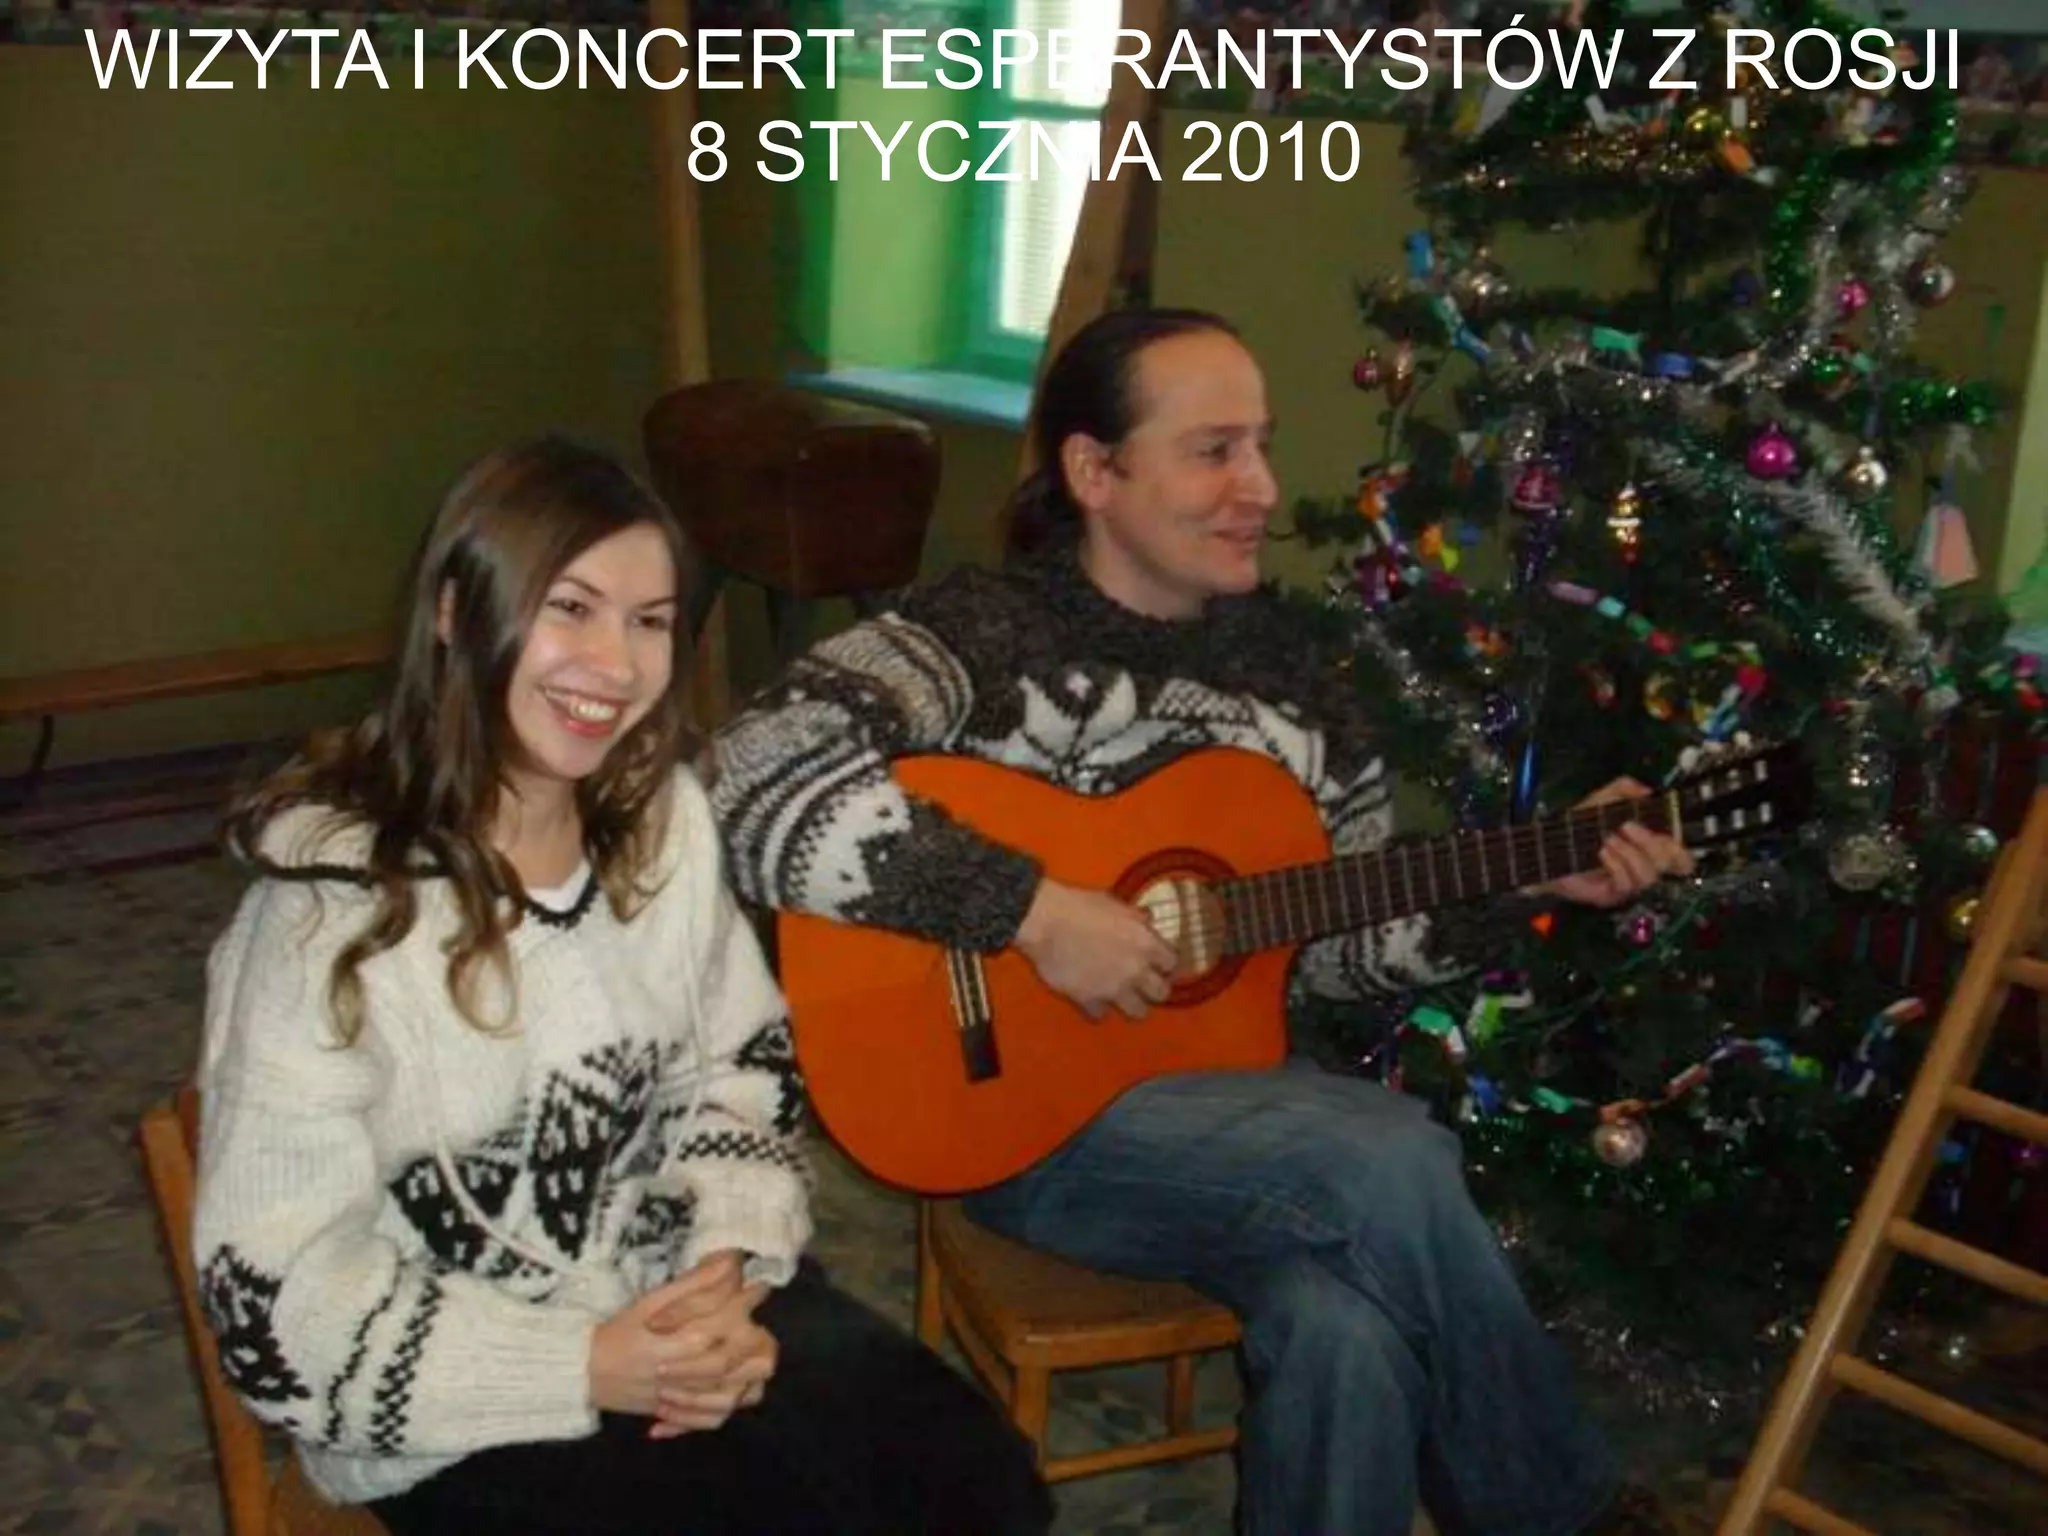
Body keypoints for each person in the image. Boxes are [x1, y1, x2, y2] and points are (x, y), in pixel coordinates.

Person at [709, 309, 1693, 1536]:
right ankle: (1566, 1517)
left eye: (1260, 446)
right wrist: (1031, 913)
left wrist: (1525, 881)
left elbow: (1331, 957)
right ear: (1093, 471)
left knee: (1342, 1327)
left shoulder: (1303, 686)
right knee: (1387, 1156)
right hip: (1020, 1123)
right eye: (1213, 451)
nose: (1260, 488)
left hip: (1240, 1118)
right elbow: (744, 772)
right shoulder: (980, 636)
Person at [190, 439, 1052, 1536]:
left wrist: (725, 1263)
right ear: (454, 612)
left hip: (671, 1292)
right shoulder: (323, 926)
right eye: (571, 607)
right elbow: (279, 1307)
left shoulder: (663, 826)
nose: (614, 663)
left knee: (978, 1482)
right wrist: (589, 1364)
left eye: (650, 620)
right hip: (459, 1400)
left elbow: (739, 1071)